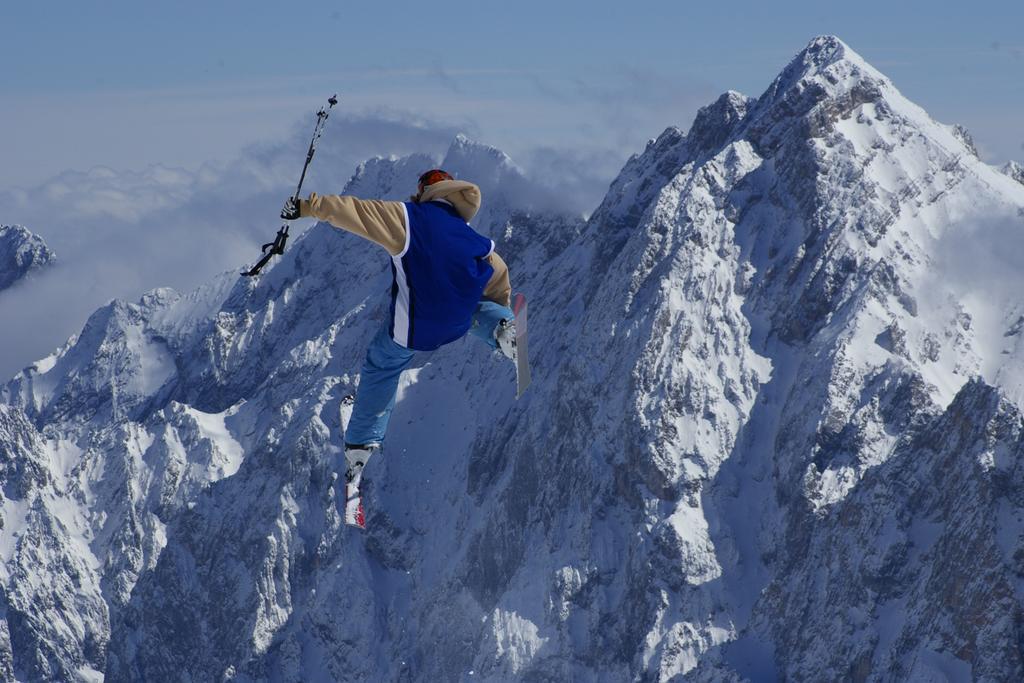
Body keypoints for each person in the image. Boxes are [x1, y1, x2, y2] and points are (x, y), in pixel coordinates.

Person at [281, 169, 516, 528]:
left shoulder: (408, 217)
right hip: (459, 323)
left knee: (382, 364)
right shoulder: (472, 237)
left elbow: (356, 212)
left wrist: (308, 207)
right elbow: (497, 271)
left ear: (425, 191)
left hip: (417, 327)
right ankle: (502, 332)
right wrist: (502, 309)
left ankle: (360, 446)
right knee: (472, 307)